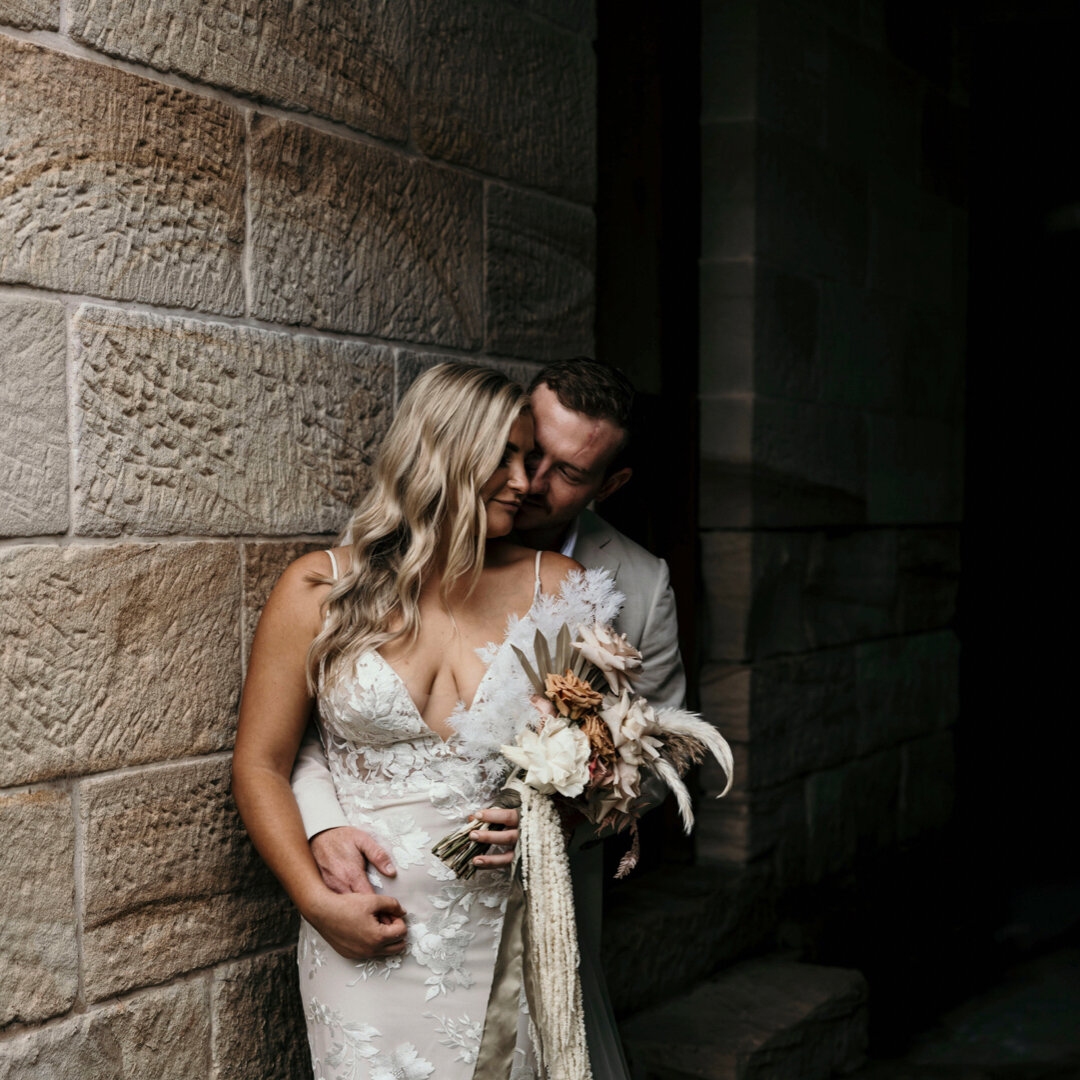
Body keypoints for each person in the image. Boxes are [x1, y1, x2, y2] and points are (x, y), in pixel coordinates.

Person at [291, 359, 686, 1076]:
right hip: (369, 928)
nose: (529, 479)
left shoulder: (611, 583)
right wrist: (318, 845)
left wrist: (560, 818)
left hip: (523, 913)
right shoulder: (332, 584)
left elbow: (648, 751)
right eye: (522, 452)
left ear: (610, 486)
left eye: (563, 471)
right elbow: (308, 739)